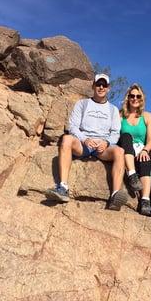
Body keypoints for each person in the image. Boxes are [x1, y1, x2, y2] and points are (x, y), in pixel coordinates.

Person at [46, 73, 128, 210]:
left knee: (119, 151)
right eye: (98, 84)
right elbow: (73, 126)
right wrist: (84, 139)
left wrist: (106, 143)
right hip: (83, 144)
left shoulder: (113, 110)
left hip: (103, 147)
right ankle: (63, 188)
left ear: (109, 88)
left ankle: (115, 195)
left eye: (104, 85)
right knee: (66, 139)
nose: (101, 87)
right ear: (93, 86)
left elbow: (115, 133)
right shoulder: (82, 104)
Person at [118, 84, 151, 216]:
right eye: (132, 96)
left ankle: (145, 200)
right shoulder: (120, 115)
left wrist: (145, 150)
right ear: (128, 98)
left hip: (140, 150)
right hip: (125, 148)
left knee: (146, 159)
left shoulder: (147, 116)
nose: (135, 98)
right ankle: (132, 175)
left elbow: (150, 140)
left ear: (142, 99)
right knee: (126, 136)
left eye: (138, 96)